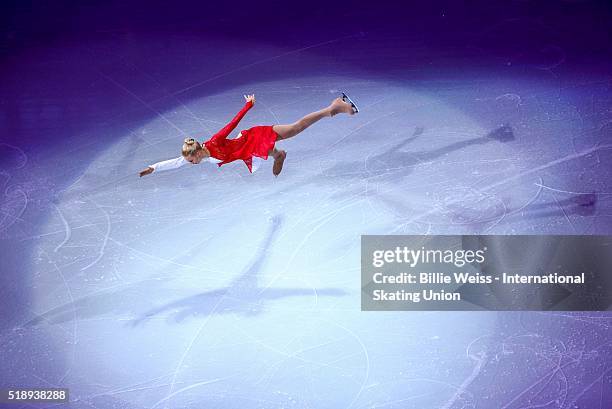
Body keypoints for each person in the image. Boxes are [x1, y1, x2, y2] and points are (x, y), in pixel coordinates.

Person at [138, 93, 357, 177]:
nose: (190, 163)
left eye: (190, 160)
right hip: (249, 153)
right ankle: (277, 155)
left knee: (296, 128)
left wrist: (247, 106)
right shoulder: (198, 157)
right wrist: (153, 168)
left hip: (254, 138)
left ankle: (334, 107)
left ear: (196, 153)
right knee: (270, 152)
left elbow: (232, 124)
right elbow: (176, 163)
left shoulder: (214, 141)